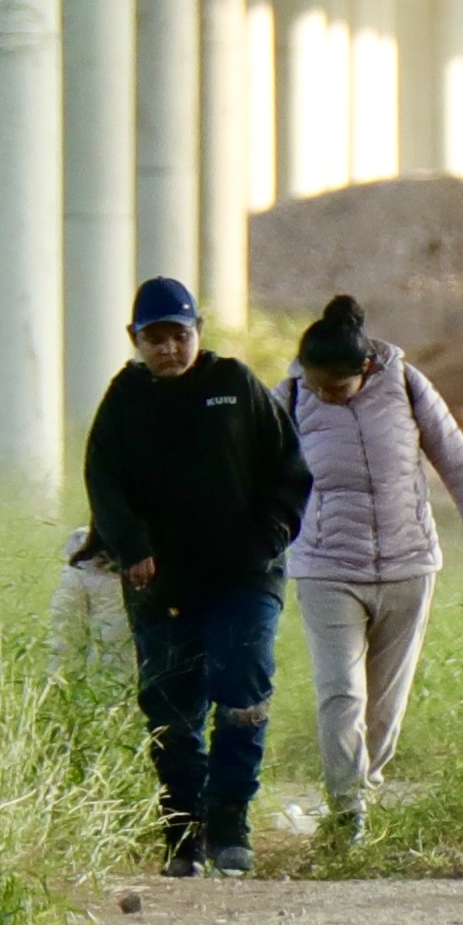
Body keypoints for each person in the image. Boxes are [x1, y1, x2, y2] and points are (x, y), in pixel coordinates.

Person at [75, 277, 308, 875]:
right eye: (154, 339)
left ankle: (230, 823)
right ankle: (182, 834)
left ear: (197, 333)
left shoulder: (233, 385)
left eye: (178, 336)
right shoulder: (124, 400)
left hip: (245, 577)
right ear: (135, 340)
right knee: (171, 714)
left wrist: (270, 535)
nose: (168, 349)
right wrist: (131, 548)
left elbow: (289, 468)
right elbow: (105, 483)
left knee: (242, 690)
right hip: (161, 585)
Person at [279, 294, 463, 854]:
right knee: (341, 693)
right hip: (326, 569)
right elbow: (250, 476)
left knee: (384, 709)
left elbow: (457, 463)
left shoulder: (406, 385)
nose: (323, 396)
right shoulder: (287, 398)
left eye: (334, 388)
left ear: (364, 369)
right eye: (315, 386)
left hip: (409, 567)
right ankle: (348, 811)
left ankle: (364, 788)